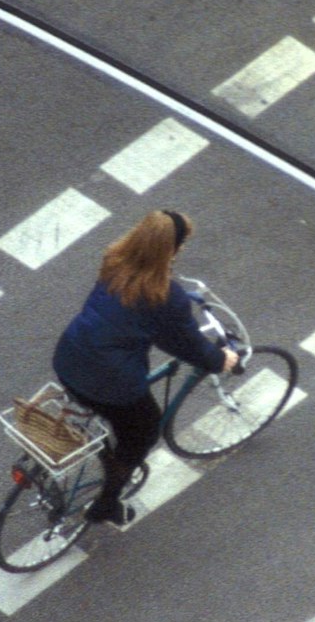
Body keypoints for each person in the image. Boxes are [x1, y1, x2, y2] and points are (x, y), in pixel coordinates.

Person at [52, 209, 237, 524]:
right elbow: (185, 344)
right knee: (143, 432)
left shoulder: (113, 263)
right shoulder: (165, 296)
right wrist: (221, 360)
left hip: (68, 359)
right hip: (110, 382)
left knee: (115, 413)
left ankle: (105, 457)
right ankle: (107, 505)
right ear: (172, 250)